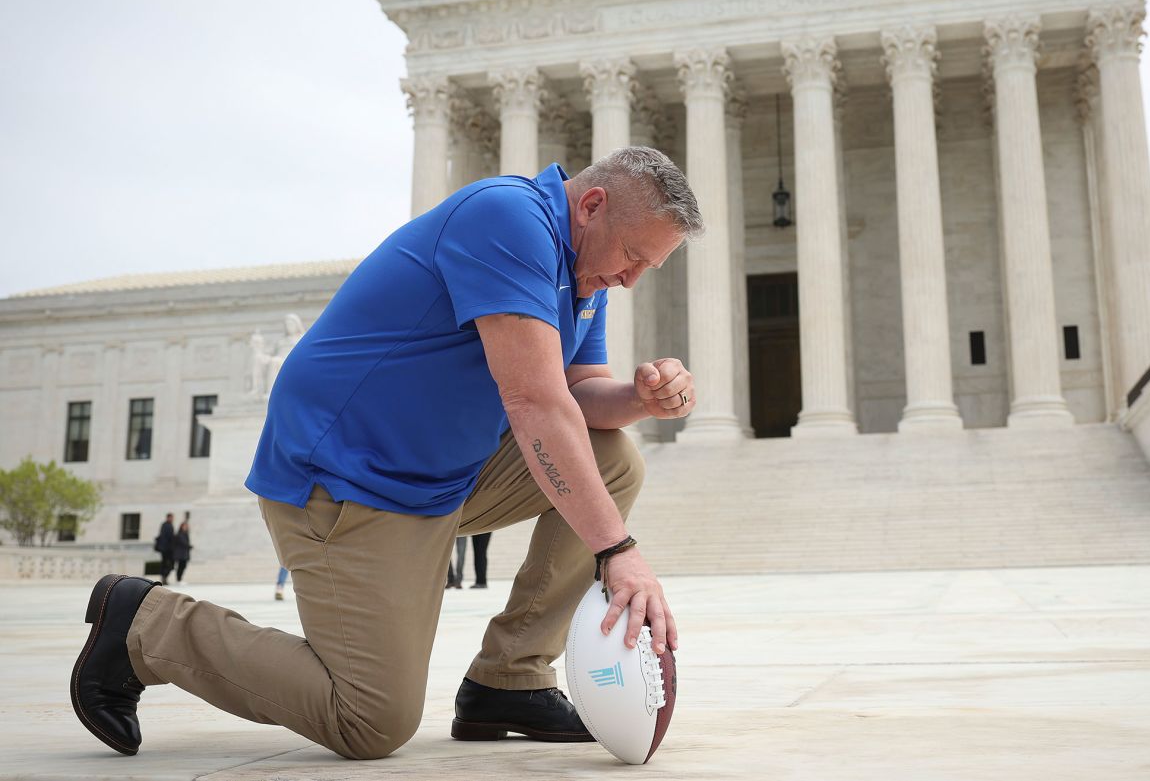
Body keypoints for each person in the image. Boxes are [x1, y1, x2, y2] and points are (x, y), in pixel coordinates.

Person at [71, 147, 700, 760]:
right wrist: (617, 551)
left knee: (614, 457)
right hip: (346, 480)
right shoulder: (509, 218)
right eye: (632, 257)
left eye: (650, 268)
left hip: (439, 478)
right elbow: (535, 403)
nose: (630, 278)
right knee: (371, 720)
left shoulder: (585, 271)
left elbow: (579, 395)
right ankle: (145, 624)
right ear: (590, 205)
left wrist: (640, 399)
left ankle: (510, 679)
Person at [151, 514, 174, 585]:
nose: (172, 519)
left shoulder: (168, 525)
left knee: (167, 563)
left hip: (167, 548)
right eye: (171, 518)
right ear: (168, 518)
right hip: (166, 548)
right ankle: (164, 577)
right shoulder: (166, 525)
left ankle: (164, 577)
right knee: (166, 563)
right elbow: (167, 537)